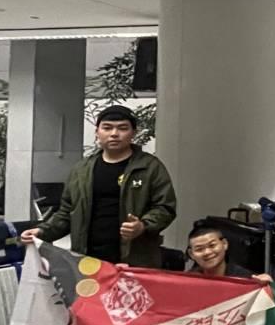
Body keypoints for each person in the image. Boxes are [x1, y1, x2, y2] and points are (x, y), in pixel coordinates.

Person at [19, 105, 177, 267]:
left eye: (122, 128)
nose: (114, 134)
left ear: (134, 133)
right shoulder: (81, 170)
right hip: (87, 260)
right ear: (97, 132)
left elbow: (165, 207)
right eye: (107, 128)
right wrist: (42, 231)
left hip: (134, 260)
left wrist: (143, 225)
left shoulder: (150, 167)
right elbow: (67, 213)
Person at [184, 222, 271, 282]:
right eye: (199, 249)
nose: (207, 252)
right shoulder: (186, 280)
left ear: (224, 244)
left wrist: (269, 287)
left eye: (212, 245)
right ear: (191, 254)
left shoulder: (248, 279)